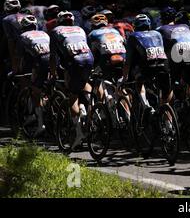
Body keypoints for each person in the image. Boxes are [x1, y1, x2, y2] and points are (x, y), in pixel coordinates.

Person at [49, 11, 94, 149]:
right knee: (84, 82)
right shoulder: (80, 29)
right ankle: (92, 108)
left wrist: (53, 72)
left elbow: (53, 56)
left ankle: (79, 131)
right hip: (89, 58)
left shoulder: (55, 30)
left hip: (73, 61)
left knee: (72, 94)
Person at [122, 14, 173, 113]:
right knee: (166, 95)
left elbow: (128, 60)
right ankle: (168, 121)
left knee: (139, 82)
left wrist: (124, 78)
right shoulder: (157, 34)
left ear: (135, 26)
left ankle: (146, 106)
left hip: (146, 67)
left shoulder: (133, 36)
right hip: (163, 65)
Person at [16, 15, 50, 137]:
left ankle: (40, 124)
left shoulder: (23, 36)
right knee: (43, 87)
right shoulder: (44, 33)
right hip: (51, 60)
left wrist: (18, 71)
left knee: (35, 92)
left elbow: (21, 57)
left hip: (39, 61)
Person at [88, 14, 126, 99]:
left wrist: (92, 68)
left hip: (107, 59)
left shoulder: (92, 34)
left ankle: (108, 101)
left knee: (102, 79)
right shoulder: (115, 30)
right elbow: (124, 43)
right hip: (122, 56)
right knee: (121, 87)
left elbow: (91, 53)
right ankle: (128, 110)